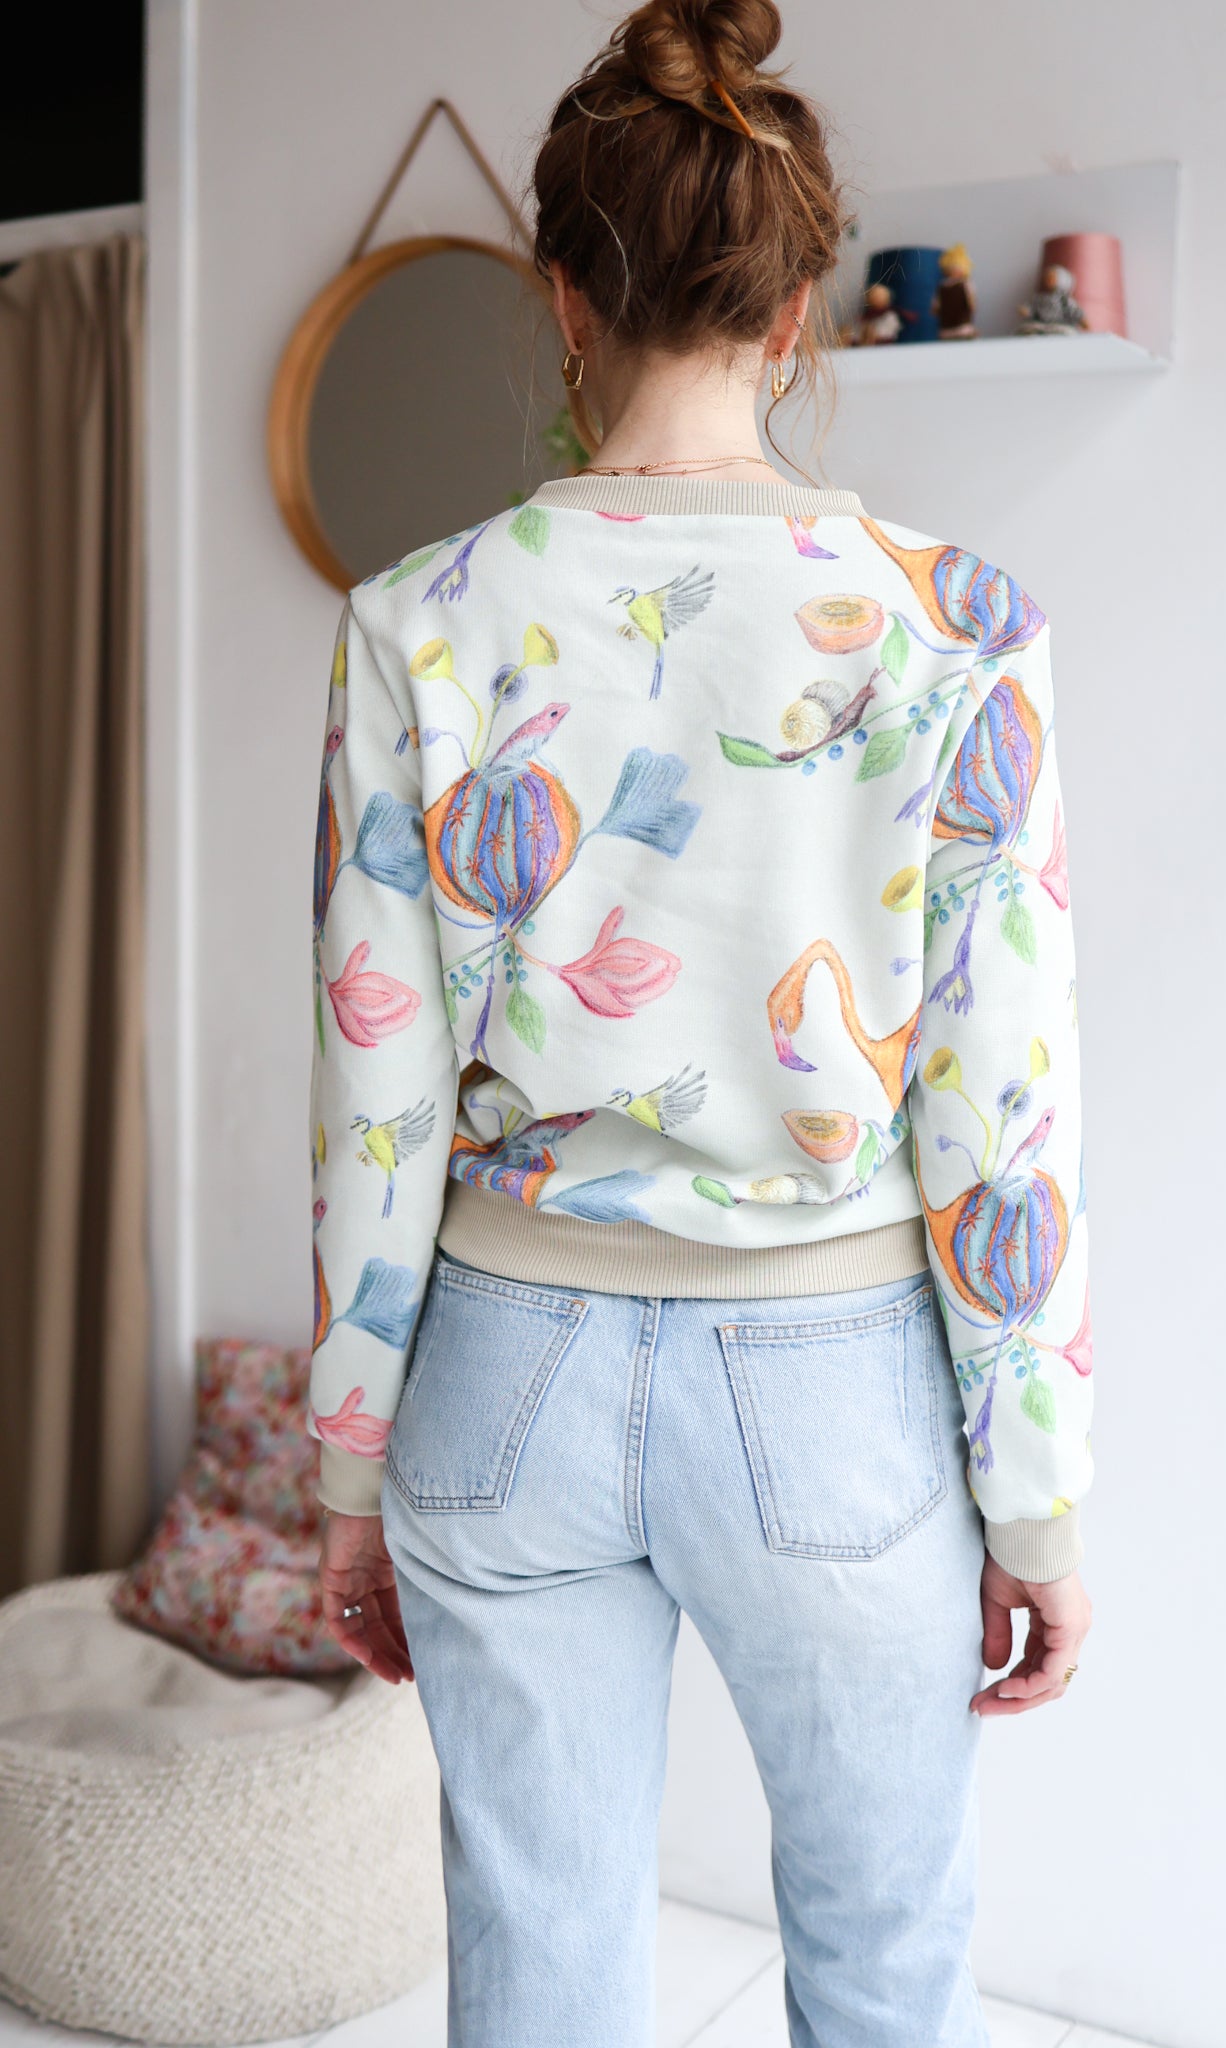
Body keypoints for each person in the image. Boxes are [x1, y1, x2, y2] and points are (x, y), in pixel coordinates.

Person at [309, 1, 1094, 2041]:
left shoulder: (413, 621)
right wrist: (1034, 1498)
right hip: (833, 1388)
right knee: (881, 1960)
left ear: (562, 299)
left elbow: (375, 1093)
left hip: (501, 1372)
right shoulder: (959, 627)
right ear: (796, 307)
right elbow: (998, 1107)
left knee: (541, 1971)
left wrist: (345, 1471)